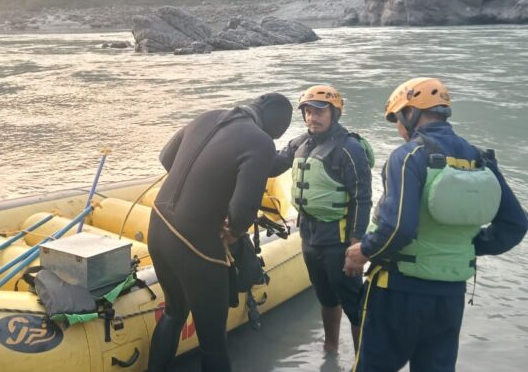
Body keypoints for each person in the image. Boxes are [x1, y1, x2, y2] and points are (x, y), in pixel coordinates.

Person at [345, 77, 527, 371]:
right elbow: (515, 224)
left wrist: (363, 251)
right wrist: (467, 246)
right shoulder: (480, 158)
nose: (398, 129)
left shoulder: (408, 156)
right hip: (449, 297)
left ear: (410, 112)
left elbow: (398, 228)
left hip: (396, 292)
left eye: (397, 119)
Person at [147, 93, 293, 372]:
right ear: (276, 130)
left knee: (174, 313)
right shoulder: (261, 142)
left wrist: (199, 190)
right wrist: (234, 230)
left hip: (157, 226)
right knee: (213, 342)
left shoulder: (207, 116)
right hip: (195, 245)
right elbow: (243, 209)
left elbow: (166, 157)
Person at [268, 85, 372, 354]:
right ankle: (331, 348)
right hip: (309, 238)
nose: (312, 118)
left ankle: (363, 361)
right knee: (325, 297)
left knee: (354, 304)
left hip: (339, 241)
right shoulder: (299, 144)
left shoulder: (349, 149)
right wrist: (251, 142)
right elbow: (272, 166)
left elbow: (362, 199)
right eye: (308, 112)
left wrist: (357, 246)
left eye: (319, 112)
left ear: (334, 113)